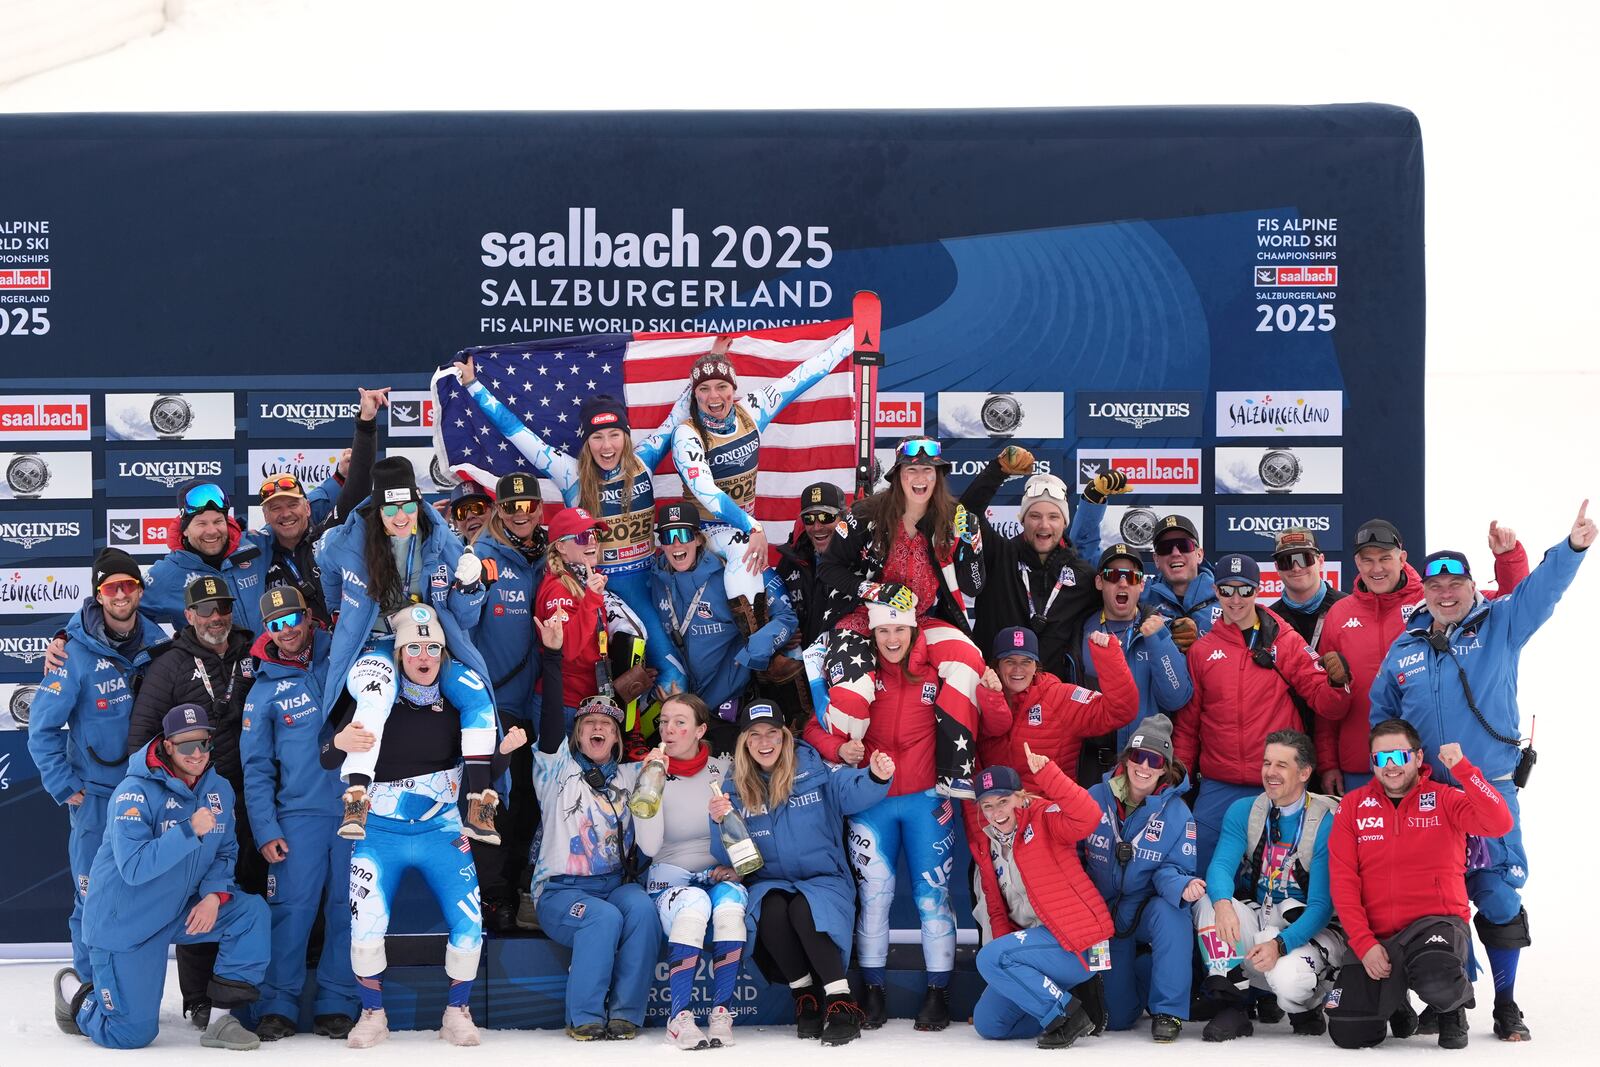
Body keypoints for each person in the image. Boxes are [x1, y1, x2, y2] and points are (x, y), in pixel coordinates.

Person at [1366, 501, 1594, 1041]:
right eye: (1436, 587)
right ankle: (1452, 1001)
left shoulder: (1501, 624)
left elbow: (1541, 592)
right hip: (1426, 797)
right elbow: (1382, 717)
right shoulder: (1404, 649)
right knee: (1436, 898)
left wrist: (1574, 549)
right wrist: (1394, 774)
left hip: (1486, 789)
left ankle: (1507, 1003)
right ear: (1424, 591)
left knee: (1495, 891)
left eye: (1456, 586)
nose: (1446, 596)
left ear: (1472, 587)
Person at [322, 605, 503, 1047]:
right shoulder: (375, 694)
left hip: (441, 831)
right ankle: (372, 1014)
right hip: (378, 833)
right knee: (365, 926)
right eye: (414, 649)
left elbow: (486, 764)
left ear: (443, 655)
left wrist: (507, 752)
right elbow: (326, 756)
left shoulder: (457, 699)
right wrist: (337, 742)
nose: (423, 658)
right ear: (400, 654)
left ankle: (457, 1012)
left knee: (469, 922)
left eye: (433, 650)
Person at [455, 354, 691, 691]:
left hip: (649, 585)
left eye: (614, 435)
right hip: (595, 591)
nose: (606, 445)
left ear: (625, 436)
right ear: (586, 441)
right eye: (597, 437)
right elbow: (515, 431)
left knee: (672, 675)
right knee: (606, 680)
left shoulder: (644, 460)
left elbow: (676, 417)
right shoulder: (570, 472)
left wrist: (707, 367)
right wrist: (474, 386)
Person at [803, 587, 971, 1029]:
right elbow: (813, 728)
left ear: (913, 627)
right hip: (872, 801)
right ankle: (872, 990)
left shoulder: (938, 664)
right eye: (883, 631)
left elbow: (979, 714)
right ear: (872, 633)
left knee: (931, 897)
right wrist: (842, 749)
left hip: (926, 800)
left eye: (899, 629)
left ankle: (939, 992)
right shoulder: (856, 670)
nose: (892, 640)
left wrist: (988, 687)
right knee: (874, 898)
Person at [66, 704, 269, 1051]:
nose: (197, 755)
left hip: (176, 909)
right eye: (187, 746)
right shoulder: (133, 792)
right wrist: (188, 831)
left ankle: (221, 1021)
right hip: (126, 924)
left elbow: (225, 851)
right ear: (168, 746)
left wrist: (214, 895)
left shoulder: (218, 789)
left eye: (204, 744)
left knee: (250, 913)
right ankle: (76, 993)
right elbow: (133, 868)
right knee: (129, 1035)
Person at [313, 456, 491, 837]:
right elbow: (327, 572)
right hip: (376, 643)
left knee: (477, 695)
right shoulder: (346, 542)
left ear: (418, 503)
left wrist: (471, 588)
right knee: (376, 696)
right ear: (378, 508)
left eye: (407, 505)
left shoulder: (442, 540)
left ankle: (479, 803)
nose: (400, 516)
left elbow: (465, 617)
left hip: (427, 643)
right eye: (390, 507)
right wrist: (335, 610)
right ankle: (357, 798)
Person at [28, 548, 166, 1018]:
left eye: (128, 585)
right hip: (97, 796)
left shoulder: (159, 640)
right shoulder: (73, 652)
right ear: (98, 594)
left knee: (147, 891)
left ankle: (130, 988)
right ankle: (88, 992)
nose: (121, 594)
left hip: (149, 794)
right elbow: (42, 728)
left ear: (140, 591)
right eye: (111, 588)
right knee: (92, 892)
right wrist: (64, 786)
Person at [709, 702, 893, 1047]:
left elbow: (850, 791)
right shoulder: (733, 786)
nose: (765, 742)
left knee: (805, 907)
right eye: (755, 735)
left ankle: (841, 1001)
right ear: (745, 742)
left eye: (773, 733)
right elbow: (726, 855)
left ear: (784, 737)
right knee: (774, 909)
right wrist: (719, 821)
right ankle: (804, 996)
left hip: (823, 878)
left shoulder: (813, 769)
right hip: (770, 881)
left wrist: (876, 776)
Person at [1325, 720, 1516, 1050]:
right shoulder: (1352, 807)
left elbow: (1500, 821)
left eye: (1398, 756)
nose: (1390, 767)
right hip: (1377, 936)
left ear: (1417, 757)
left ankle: (1452, 1008)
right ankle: (1396, 1000)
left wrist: (1465, 770)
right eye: (1380, 759)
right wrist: (1364, 942)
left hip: (1433, 925)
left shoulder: (1445, 799)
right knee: (1348, 1031)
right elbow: (1343, 882)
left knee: (1436, 977)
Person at [126, 573, 263, 1027]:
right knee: (200, 895)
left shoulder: (252, 649)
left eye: (222, 608)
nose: (216, 617)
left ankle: (244, 993)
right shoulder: (170, 664)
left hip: (257, 793)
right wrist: (176, 795)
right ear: (188, 616)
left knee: (251, 891)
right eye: (205, 610)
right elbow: (143, 740)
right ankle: (199, 997)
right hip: (196, 802)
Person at [815, 437, 987, 796]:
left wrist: (971, 543)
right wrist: (876, 591)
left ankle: (955, 771)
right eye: (912, 469)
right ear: (898, 476)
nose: (920, 477)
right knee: (851, 694)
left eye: (928, 470)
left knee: (968, 658)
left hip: (917, 622)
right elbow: (829, 569)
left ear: (939, 477)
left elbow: (974, 585)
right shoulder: (865, 515)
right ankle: (840, 776)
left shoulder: (951, 518)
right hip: (863, 618)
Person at [1316, 517, 1528, 796]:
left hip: (1422, 766)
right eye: (1367, 560)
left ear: (1402, 557)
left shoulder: (1437, 596)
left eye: (1385, 558)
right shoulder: (1339, 614)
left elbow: (1510, 604)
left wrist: (1508, 558)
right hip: (1358, 764)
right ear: (1356, 563)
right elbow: (1327, 695)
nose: (1376, 568)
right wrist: (1328, 763)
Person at [1174, 553, 1349, 871]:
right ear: (1216, 591)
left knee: (1278, 883)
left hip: (1276, 782)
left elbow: (1328, 706)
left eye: (1245, 589)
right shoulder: (1201, 650)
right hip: (1218, 785)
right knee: (1199, 872)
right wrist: (1179, 780)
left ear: (1258, 591)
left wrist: (1338, 684)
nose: (1236, 599)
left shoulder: (1285, 640)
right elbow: (1188, 725)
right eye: (1227, 590)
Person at [671, 332, 856, 625]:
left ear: (734, 388)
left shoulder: (751, 411)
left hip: (745, 527)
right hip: (709, 529)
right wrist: (752, 526)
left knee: (784, 605)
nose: (714, 397)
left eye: (722, 386)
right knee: (745, 555)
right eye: (704, 389)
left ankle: (777, 656)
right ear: (695, 394)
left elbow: (802, 377)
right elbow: (705, 491)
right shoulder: (686, 433)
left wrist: (853, 340)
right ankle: (757, 654)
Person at [238, 586, 357, 1040]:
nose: (286, 631)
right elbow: (255, 768)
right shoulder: (264, 688)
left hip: (355, 809)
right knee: (291, 911)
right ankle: (278, 1004)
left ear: (309, 618)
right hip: (298, 817)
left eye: (292, 619)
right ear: (266, 630)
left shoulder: (344, 659)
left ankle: (337, 1001)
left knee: (348, 910)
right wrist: (265, 828)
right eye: (275, 624)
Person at [1192, 730, 1346, 1041]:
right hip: (1261, 916)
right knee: (1208, 902)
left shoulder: (1326, 820)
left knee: (1288, 979)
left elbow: (1321, 906)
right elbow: (1221, 866)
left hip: (1307, 926)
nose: (1270, 773)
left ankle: (1304, 1007)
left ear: (1304, 773)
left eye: (1281, 765)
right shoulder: (1245, 810)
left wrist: (1280, 945)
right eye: (1266, 763)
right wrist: (1223, 904)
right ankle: (1231, 1006)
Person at [967, 749, 1113, 1049]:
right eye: (988, 805)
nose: (997, 813)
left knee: (991, 956)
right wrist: (1008, 977)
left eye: (1004, 801)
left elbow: (1089, 816)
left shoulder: (1044, 816)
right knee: (989, 1023)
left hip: (1078, 941)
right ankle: (1069, 1003)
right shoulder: (986, 844)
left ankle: (1067, 1014)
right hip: (1032, 950)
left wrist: (1049, 774)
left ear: (1020, 797)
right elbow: (997, 911)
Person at [1081, 715, 1203, 1042]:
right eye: (1139, 756)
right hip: (1101, 912)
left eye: (1155, 760)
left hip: (1144, 907)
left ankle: (1168, 1010)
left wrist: (1182, 886)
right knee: (1117, 1018)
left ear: (1165, 768)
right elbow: (1072, 852)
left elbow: (1172, 869)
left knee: (1173, 913)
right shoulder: (1094, 797)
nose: (1144, 766)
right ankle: (1142, 975)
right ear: (1127, 759)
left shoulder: (1177, 814)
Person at [633, 694, 745, 1049]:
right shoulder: (650, 771)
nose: (669, 729)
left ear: (700, 729)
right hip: (672, 880)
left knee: (729, 905)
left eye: (680, 722)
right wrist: (650, 780)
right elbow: (649, 848)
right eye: (664, 721)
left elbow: (744, 836)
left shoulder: (723, 770)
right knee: (695, 903)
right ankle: (678, 1017)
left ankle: (721, 1013)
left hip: (717, 876)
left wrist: (734, 862)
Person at [958, 444, 1121, 680]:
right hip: (994, 692)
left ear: (1064, 523)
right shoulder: (998, 555)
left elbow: (1121, 603)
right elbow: (966, 514)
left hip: (1055, 702)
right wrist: (997, 471)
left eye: (1053, 516)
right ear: (1022, 520)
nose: (1044, 525)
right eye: (1035, 516)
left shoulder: (1083, 576)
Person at [466, 471, 548, 931]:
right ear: (498, 509)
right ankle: (492, 898)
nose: (522, 514)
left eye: (529, 506)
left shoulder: (549, 555)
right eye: (512, 507)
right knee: (496, 802)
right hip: (498, 706)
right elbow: (461, 627)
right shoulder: (482, 558)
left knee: (533, 805)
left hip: (540, 703)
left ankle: (521, 890)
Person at [652, 501, 799, 750]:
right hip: (679, 714)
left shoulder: (732, 573)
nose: (676, 544)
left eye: (684, 534)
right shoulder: (656, 580)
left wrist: (755, 651)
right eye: (668, 536)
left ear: (698, 539)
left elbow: (786, 618)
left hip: (726, 712)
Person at [249, 387, 386, 627]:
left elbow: (358, 485)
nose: (286, 514)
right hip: (293, 654)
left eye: (293, 504)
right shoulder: (257, 556)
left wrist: (366, 423)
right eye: (275, 508)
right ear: (265, 516)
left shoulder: (328, 534)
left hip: (345, 642)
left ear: (308, 508)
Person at [974, 624, 1140, 794]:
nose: (1018, 669)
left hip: (1048, 814)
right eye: (1010, 661)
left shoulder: (1059, 697)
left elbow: (1121, 711)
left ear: (1036, 666)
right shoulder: (982, 698)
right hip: (997, 814)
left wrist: (1108, 657)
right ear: (997, 666)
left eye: (1026, 661)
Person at [1075, 544, 1192, 783]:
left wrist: (1158, 641)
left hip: (1145, 765)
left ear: (1141, 584)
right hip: (1092, 768)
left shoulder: (1162, 630)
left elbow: (1177, 698)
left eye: (1131, 577)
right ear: (1100, 582)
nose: (1122, 583)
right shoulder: (1079, 630)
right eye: (1113, 576)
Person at [537, 504, 658, 735]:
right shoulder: (558, 590)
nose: (592, 541)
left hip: (589, 701)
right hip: (567, 706)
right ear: (561, 546)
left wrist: (628, 670)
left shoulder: (582, 579)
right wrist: (592, 599)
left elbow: (594, 643)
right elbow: (568, 650)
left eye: (595, 534)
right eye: (583, 536)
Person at [142, 479, 267, 634]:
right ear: (185, 530)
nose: (212, 531)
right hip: (209, 659)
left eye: (218, 521)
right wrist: (163, 648)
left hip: (264, 657)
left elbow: (292, 521)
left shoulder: (254, 547)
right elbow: (129, 614)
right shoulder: (168, 572)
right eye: (201, 524)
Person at [775, 480, 849, 646]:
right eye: (809, 519)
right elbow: (773, 610)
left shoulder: (860, 559)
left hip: (846, 662)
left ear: (843, 518)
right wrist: (781, 635)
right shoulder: (790, 561)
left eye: (826, 517)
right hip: (800, 666)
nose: (817, 526)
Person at [1140, 514, 1218, 653]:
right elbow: (1102, 577)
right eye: (1165, 547)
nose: (1175, 553)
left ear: (1199, 554)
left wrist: (1201, 640)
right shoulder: (1141, 596)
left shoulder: (1227, 596)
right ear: (1156, 560)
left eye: (1184, 545)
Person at [1267, 527, 1349, 651]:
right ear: (1277, 568)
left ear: (1320, 561)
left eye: (1304, 559)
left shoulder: (1348, 610)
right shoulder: (1269, 620)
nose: (1296, 568)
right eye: (1286, 561)